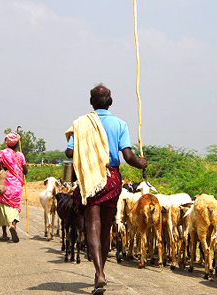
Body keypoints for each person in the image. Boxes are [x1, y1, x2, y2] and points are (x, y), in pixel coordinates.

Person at [65, 84, 147, 294]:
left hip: (91, 178)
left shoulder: (81, 124)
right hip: (111, 178)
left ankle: (99, 272)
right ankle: (100, 273)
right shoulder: (120, 124)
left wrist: (82, 147)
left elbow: (68, 153)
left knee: (93, 223)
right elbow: (128, 157)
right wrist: (141, 163)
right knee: (106, 227)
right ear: (110, 102)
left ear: (91, 103)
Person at [0, 131, 28, 243]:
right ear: (16, 143)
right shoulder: (20, 155)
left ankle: (4, 234)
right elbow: (26, 171)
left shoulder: (2, 153)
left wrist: (3, 162)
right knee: (14, 206)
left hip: (5, 184)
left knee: (3, 207)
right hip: (16, 185)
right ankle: (13, 225)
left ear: (7, 142)